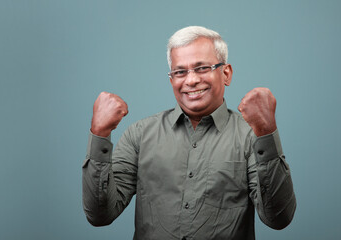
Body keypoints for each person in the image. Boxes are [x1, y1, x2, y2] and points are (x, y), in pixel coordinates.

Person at [82, 26, 296, 240]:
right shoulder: (139, 134)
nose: (191, 80)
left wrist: (267, 133)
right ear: (171, 80)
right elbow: (100, 216)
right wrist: (99, 133)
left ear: (226, 73)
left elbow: (278, 219)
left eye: (202, 68)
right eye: (180, 72)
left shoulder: (251, 135)